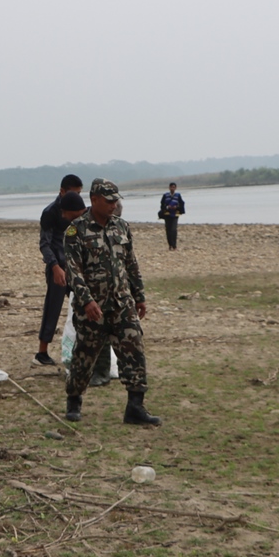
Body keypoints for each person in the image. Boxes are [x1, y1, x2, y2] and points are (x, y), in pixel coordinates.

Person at [63, 179, 159, 426]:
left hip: (121, 304)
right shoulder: (76, 231)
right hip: (92, 308)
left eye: (116, 200)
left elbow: (131, 264)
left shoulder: (121, 227)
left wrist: (139, 296)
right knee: (85, 355)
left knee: (135, 349)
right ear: (94, 199)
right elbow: (73, 272)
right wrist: (86, 301)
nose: (114, 204)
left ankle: (135, 407)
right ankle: (74, 399)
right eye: (109, 200)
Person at [34, 174, 83, 366]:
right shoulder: (50, 212)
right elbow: (45, 244)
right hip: (57, 266)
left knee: (82, 304)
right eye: (73, 193)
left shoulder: (80, 211)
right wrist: (54, 266)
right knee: (52, 307)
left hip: (76, 266)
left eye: (79, 193)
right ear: (62, 191)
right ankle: (42, 352)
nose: (76, 197)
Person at [159, 182, 185, 250]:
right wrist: (167, 207)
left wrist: (176, 207)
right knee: (168, 230)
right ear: (169, 188)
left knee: (174, 230)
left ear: (175, 188)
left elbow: (181, 204)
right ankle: (170, 245)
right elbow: (162, 205)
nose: (172, 188)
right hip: (167, 215)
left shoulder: (178, 195)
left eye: (174, 187)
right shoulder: (165, 195)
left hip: (175, 215)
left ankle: (174, 245)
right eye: (171, 187)